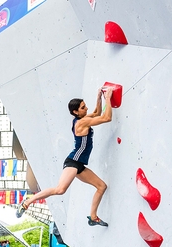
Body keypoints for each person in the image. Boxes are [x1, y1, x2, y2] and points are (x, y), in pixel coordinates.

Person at [16, 87, 113, 226]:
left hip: (79, 165)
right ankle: (27, 202)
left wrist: (99, 97)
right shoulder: (81, 122)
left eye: (85, 106)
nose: (86, 109)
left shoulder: (82, 118)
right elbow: (106, 117)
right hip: (73, 162)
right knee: (60, 190)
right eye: (83, 107)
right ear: (76, 112)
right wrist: (108, 99)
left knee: (101, 186)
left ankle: (93, 217)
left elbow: (97, 112)